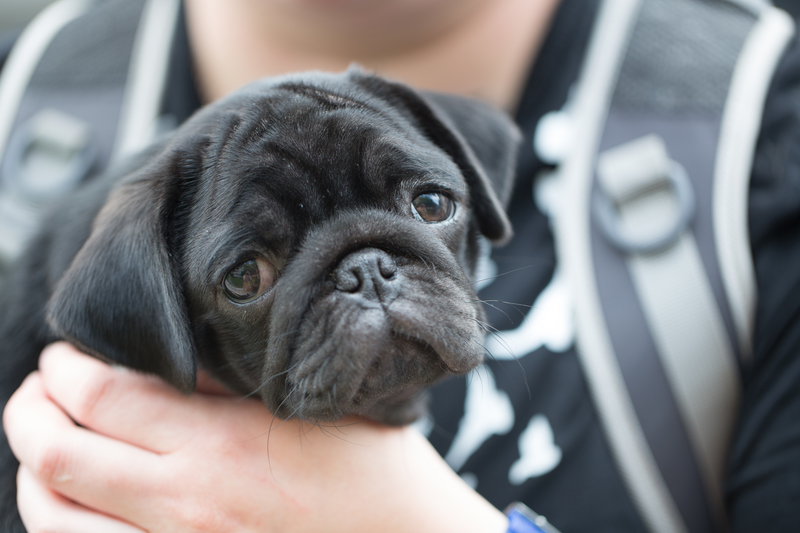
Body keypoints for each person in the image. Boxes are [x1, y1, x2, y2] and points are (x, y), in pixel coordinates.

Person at [2, 0, 800, 531]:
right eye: (250, 274)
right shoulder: (19, 98)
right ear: (149, 318)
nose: (369, 278)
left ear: (482, 181)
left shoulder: (759, 130)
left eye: (426, 207)